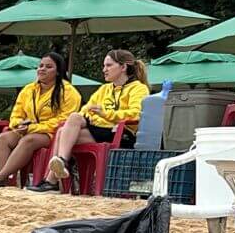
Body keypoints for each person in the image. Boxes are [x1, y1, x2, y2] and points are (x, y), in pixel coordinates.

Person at [32, 49, 149, 192]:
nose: (104, 70)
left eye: (108, 65)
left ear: (123, 67)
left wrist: (105, 114)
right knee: (67, 126)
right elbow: (86, 109)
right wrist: (93, 115)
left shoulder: (139, 88)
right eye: (104, 66)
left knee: (66, 129)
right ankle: (56, 171)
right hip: (98, 130)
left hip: (120, 133)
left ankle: (54, 176)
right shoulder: (105, 89)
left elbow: (136, 114)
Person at [0, 53, 78, 188]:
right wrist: (18, 124)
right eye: (40, 66)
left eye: (48, 67)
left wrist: (34, 128)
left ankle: (0, 177)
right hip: (27, 129)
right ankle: (5, 182)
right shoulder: (28, 89)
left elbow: (64, 120)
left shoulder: (69, 92)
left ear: (58, 72)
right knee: (3, 138)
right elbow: (16, 113)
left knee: (28, 140)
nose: (42, 69)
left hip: (52, 134)